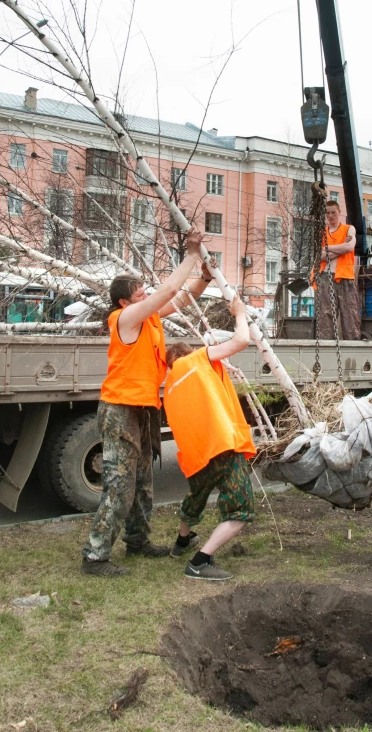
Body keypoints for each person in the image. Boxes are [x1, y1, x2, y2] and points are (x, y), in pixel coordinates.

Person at [81, 228, 213, 578]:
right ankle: (95, 557)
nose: (147, 296)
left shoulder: (148, 315)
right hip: (119, 411)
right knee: (119, 486)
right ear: (125, 303)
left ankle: (137, 541)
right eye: (141, 294)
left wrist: (202, 277)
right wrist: (191, 252)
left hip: (142, 409)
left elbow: (181, 298)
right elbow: (170, 290)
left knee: (142, 481)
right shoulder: (124, 319)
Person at [163, 294, 255, 581]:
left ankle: (181, 543)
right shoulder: (197, 359)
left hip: (196, 458)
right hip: (222, 446)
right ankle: (200, 562)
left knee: (197, 497)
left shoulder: (170, 388)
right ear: (188, 353)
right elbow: (241, 341)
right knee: (240, 510)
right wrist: (239, 312)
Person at [315, 200, 361, 340]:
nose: (330, 215)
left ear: (339, 212)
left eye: (333, 212)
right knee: (325, 317)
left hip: (345, 276)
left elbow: (349, 248)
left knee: (350, 316)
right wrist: (342, 247)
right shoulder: (322, 232)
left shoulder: (349, 229)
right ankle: (325, 349)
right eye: (327, 213)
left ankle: (353, 349)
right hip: (325, 277)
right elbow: (318, 256)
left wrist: (326, 250)